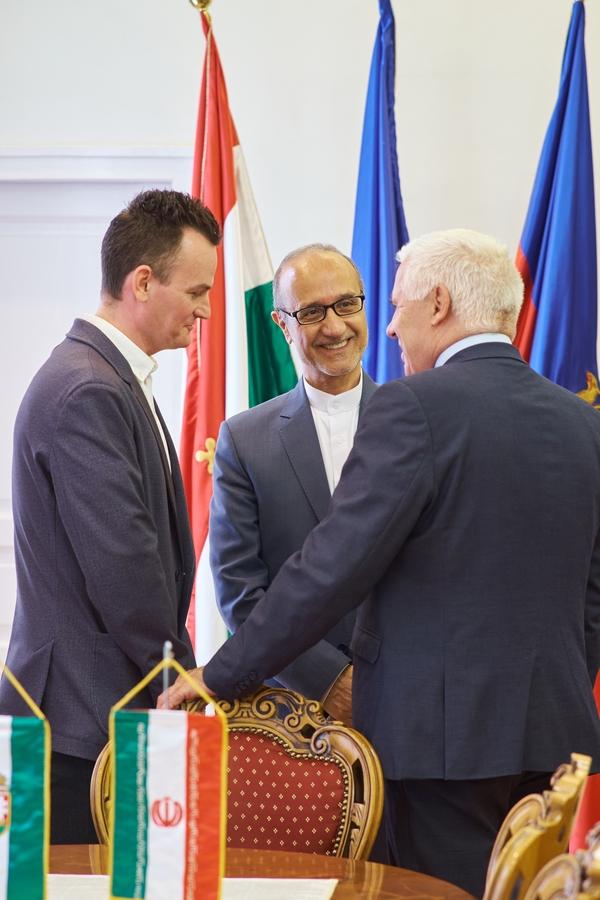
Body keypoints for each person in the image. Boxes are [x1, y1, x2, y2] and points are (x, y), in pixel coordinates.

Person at [161, 228, 600, 897]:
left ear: (439, 304)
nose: (389, 327)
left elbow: (329, 566)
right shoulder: (582, 422)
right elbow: (592, 592)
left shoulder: (412, 407)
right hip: (553, 740)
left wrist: (220, 674)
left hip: (440, 747)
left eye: (393, 305)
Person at [0, 189, 221, 843]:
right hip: (79, 724)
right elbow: (125, 567)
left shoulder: (104, 375)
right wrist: (180, 674)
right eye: (196, 292)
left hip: (91, 711)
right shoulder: (89, 389)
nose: (206, 310)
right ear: (142, 282)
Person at [210, 244, 377, 722]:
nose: (335, 326)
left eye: (346, 304)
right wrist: (328, 681)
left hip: (409, 703)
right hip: (291, 714)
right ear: (282, 324)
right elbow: (240, 594)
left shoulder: (420, 424)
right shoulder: (243, 440)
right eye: (311, 312)